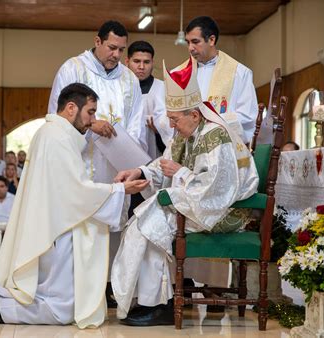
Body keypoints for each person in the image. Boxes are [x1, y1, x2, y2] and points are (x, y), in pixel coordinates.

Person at [0, 83, 148, 327]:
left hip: (54, 224)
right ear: (71, 108)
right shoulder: (57, 138)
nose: (92, 119)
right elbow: (75, 191)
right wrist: (118, 189)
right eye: (90, 112)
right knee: (61, 310)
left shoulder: (53, 134)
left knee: (55, 301)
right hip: (58, 231)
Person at [110, 58, 259, 326]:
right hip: (199, 202)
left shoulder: (216, 136)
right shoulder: (185, 132)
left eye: (175, 120)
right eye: (169, 119)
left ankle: (160, 306)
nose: (172, 126)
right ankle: (149, 300)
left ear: (194, 115)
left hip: (225, 210)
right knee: (143, 221)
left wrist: (180, 172)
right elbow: (164, 163)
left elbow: (217, 188)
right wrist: (140, 172)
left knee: (151, 225)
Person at [47, 21, 145, 300]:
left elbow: (136, 124)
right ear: (98, 41)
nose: (116, 54)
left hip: (115, 168)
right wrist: (90, 124)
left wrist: (128, 154)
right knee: (80, 225)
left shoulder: (128, 79)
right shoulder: (73, 68)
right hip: (81, 164)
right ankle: (75, 286)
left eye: (121, 49)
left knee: (113, 226)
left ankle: (107, 286)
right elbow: (57, 117)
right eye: (112, 47)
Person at [185, 16, 258, 144]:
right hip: (188, 144)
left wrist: (206, 124)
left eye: (195, 42)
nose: (190, 48)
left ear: (211, 40)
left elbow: (247, 115)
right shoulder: (180, 73)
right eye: (188, 42)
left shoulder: (239, 73)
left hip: (223, 146)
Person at [125, 40, 173, 159]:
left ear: (152, 63)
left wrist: (159, 131)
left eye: (146, 62)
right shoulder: (119, 90)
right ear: (127, 62)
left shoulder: (163, 88)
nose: (141, 67)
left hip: (156, 155)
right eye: (136, 61)